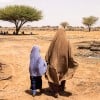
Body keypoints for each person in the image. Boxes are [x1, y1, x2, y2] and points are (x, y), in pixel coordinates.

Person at [45, 28, 78, 98]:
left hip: (54, 62)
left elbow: (48, 53)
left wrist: (47, 59)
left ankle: (55, 92)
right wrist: (72, 62)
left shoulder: (53, 42)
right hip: (63, 63)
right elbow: (70, 54)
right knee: (63, 74)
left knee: (53, 76)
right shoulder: (67, 42)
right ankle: (61, 88)